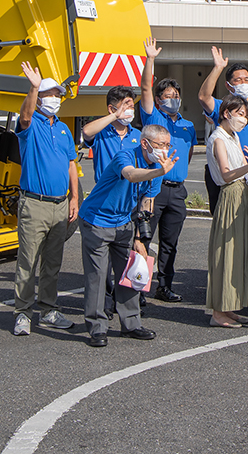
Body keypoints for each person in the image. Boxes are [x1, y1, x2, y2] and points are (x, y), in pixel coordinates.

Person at [78, 124, 172, 347]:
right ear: (145, 143)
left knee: (129, 275)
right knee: (98, 276)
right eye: (160, 145)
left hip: (124, 222)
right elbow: (130, 175)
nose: (164, 150)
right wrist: (159, 171)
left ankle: (131, 324)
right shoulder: (125, 156)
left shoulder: (159, 167)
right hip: (97, 220)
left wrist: (140, 238)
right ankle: (97, 328)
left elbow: (147, 201)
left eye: (168, 145)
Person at [11, 63, 79, 337]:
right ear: (39, 98)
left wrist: (74, 197)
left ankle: (48, 309)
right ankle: (22, 313)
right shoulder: (31, 125)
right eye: (49, 94)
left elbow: (71, 164)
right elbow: (25, 117)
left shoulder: (63, 129)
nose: (55, 99)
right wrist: (34, 86)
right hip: (34, 204)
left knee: (53, 263)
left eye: (58, 95)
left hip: (60, 204)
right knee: (27, 261)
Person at [136, 37, 194, 303]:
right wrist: (150, 58)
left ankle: (165, 285)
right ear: (159, 101)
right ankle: (138, 287)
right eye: (168, 96)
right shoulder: (153, 117)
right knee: (144, 239)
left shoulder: (188, 126)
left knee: (170, 244)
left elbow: (189, 154)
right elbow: (145, 88)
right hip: (154, 189)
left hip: (177, 190)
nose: (173, 99)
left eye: (176, 95)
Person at [204, 95, 248, 328]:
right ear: (226, 112)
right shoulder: (218, 138)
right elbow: (227, 174)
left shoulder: (233, 135)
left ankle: (228, 306)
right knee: (225, 253)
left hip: (242, 194)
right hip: (230, 194)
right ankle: (217, 312)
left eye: (246, 116)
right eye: (240, 114)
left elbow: (245, 174)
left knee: (238, 254)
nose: (243, 119)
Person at [198, 46, 248, 212]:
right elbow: (204, 97)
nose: (243, 83)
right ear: (228, 85)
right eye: (238, 80)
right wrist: (218, 68)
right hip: (230, 177)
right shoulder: (221, 107)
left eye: (246, 80)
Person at [82, 86, 141, 184]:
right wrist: (114, 116)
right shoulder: (101, 132)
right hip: (105, 192)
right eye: (126, 105)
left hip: (129, 193)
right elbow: (87, 131)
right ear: (112, 109)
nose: (130, 110)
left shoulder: (137, 135)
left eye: (132, 107)